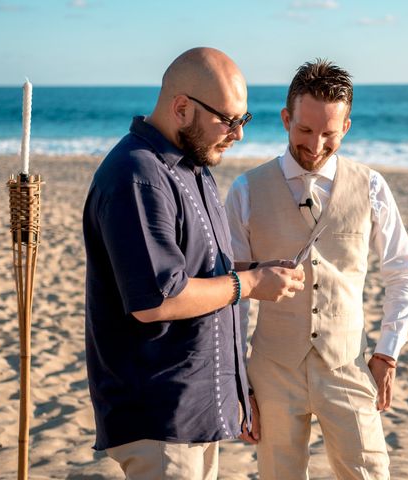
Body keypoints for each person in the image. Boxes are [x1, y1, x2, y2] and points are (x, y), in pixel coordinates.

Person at [82, 47, 304, 480]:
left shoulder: (193, 166)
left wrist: (237, 387)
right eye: (229, 120)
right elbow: (158, 298)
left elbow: (207, 274)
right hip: (160, 415)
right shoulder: (137, 175)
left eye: (245, 119)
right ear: (181, 107)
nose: (239, 134)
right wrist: (251, 283)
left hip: (196, 410)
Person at [225, 59, 408, 479]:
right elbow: (233, 295)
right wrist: (240, 381)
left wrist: (387, 353)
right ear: (285, 119)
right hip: (273, 370)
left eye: (330, 133)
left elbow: (402, 273)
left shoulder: (371, 186)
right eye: (305, 131)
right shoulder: (245, 191)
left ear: (346, 127)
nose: (315, 145)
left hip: (348, 365)